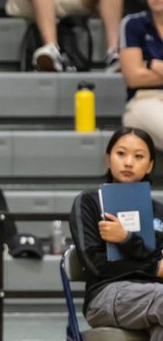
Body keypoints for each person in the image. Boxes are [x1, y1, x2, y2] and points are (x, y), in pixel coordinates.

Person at [70, 128, 163, 339]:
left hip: (155, 294)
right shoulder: (89, 202)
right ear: (108, 159)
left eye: (138, 156)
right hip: (107, 294)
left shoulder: (159, 212)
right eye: (121, 153)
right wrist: (153, 266)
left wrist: (127, 240)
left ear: (149, 165)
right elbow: (97, 264)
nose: (129, 162)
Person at [122, 0, 163, 150]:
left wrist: (152, 64)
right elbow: (134, 78)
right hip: (144, 100)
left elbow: (141, 72)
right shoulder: (133, 24)